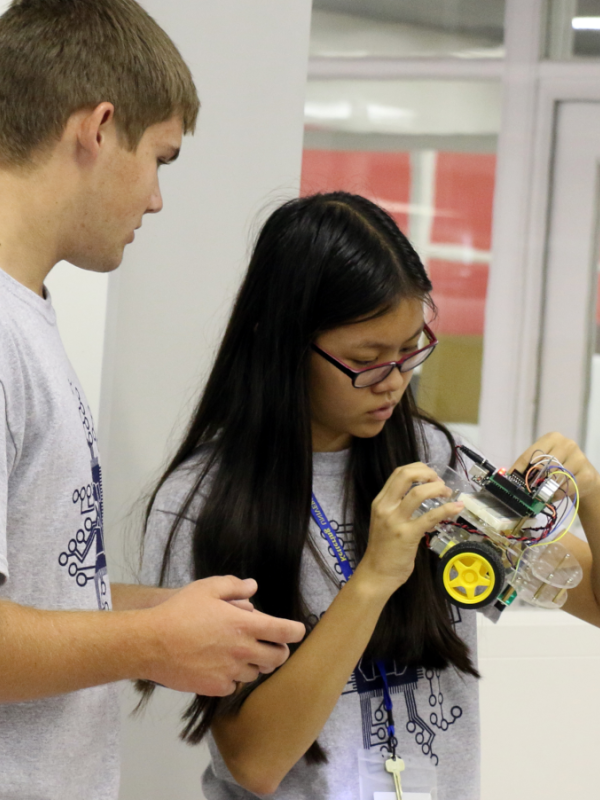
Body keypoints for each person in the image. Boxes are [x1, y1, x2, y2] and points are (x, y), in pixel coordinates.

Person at [140, 191, 600, 800]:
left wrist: (588, 492)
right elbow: (254, 762)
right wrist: (374, 578)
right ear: (282, 345)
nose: (395, 382)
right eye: (366, 360)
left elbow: (590, 599)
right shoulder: (203, 504)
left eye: (410, 350)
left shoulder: (438, 461)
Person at [0, 1, 304, 797]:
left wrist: (173, 617)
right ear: (98, 129)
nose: (158, 200)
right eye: (161, 159)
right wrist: (149, 640)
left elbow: (35, 595)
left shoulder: (26, 317)